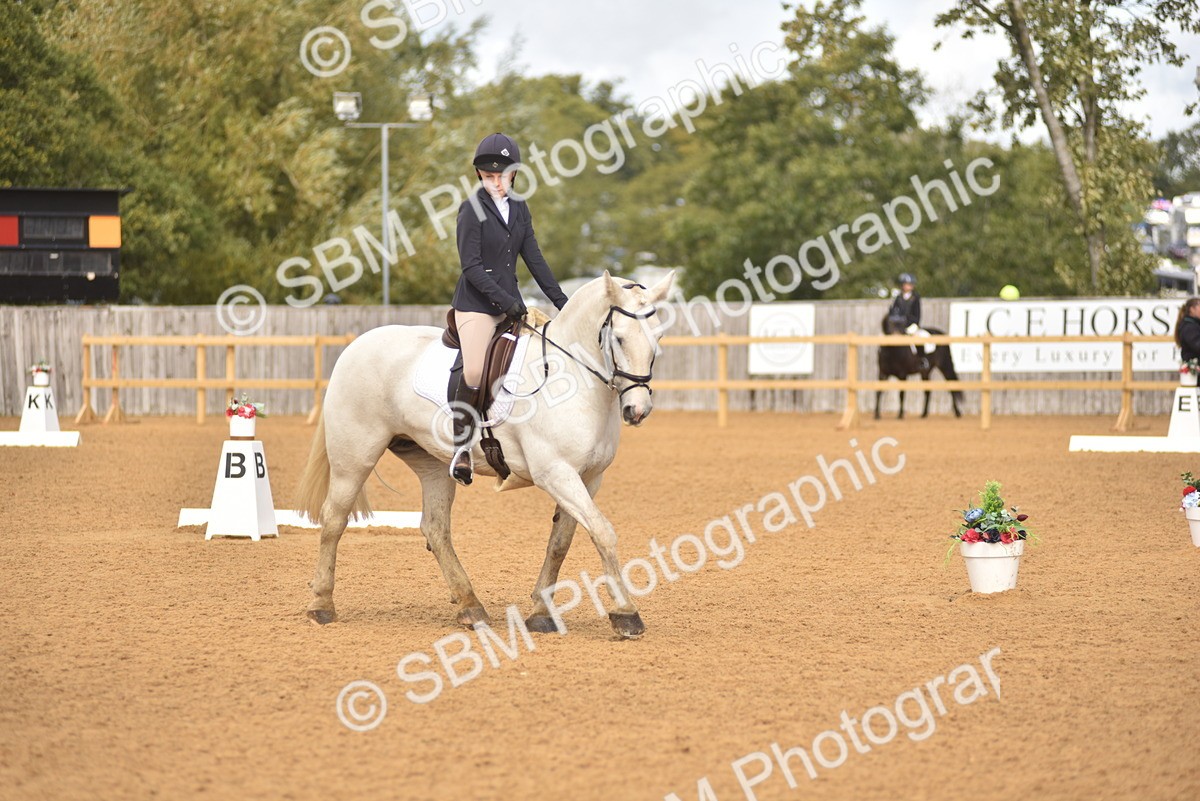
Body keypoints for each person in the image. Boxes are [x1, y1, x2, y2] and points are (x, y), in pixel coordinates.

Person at [449, 132, 569, 485]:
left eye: (501, 175)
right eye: (488, 176)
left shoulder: (519, 208)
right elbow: (470, 266)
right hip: (476, 307)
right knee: (473, 371)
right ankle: (461, 446)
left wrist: (565, 303)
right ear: (480, 176)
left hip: (511, 305)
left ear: (514, 174)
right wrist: (507, 303)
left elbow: (534, 259)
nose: (495, 182)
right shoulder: (471, 209)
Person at [888, 272, 932, 370]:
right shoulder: (898, 298)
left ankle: (922, 359)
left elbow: (917, 314)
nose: (909, 286)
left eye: (911, 284)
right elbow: (894, 311)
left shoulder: (915, 298)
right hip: (899, 325)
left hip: (911, 324)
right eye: (907, 284)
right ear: (902, 285)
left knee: (917, 338)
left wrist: (911, 322)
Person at [1174, 297, 1200, 362]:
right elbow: (1197, 345)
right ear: (1192, 309)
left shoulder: (1194, 325)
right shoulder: (1190, 327)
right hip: (1195, 368)